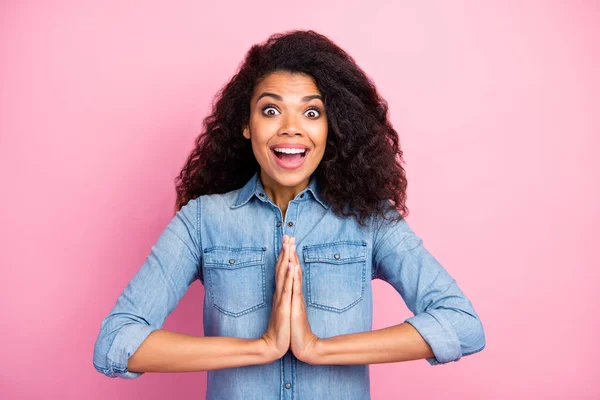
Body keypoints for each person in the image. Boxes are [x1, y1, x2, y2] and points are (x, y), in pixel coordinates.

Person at [93, 29, 485, 399]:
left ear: (334, 127)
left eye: (312, 113)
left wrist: (318, 349)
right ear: (246, 125)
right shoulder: (201, 222)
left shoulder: (371, 220)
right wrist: (261, 348)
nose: (292, 128)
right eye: (271, 110)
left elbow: (462, 324)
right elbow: (116, 342)